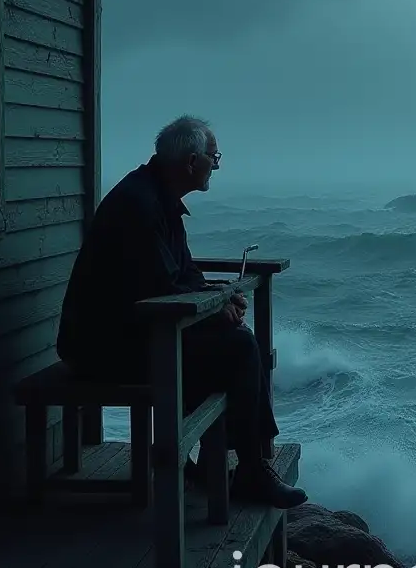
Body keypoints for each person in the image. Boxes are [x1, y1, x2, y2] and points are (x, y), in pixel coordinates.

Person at [56, 114, 306, 509]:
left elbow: (183, 273)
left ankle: (225, 463)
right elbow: (157, 289)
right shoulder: (139, 206)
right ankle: (251, 470)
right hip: (101, 350)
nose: (217, 165)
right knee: (239, 350)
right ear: (192, 162)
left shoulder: (157, 198)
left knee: (235, 342)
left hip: (127, 335)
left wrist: (220, 296)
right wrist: (214, 309)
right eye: (214, 156)